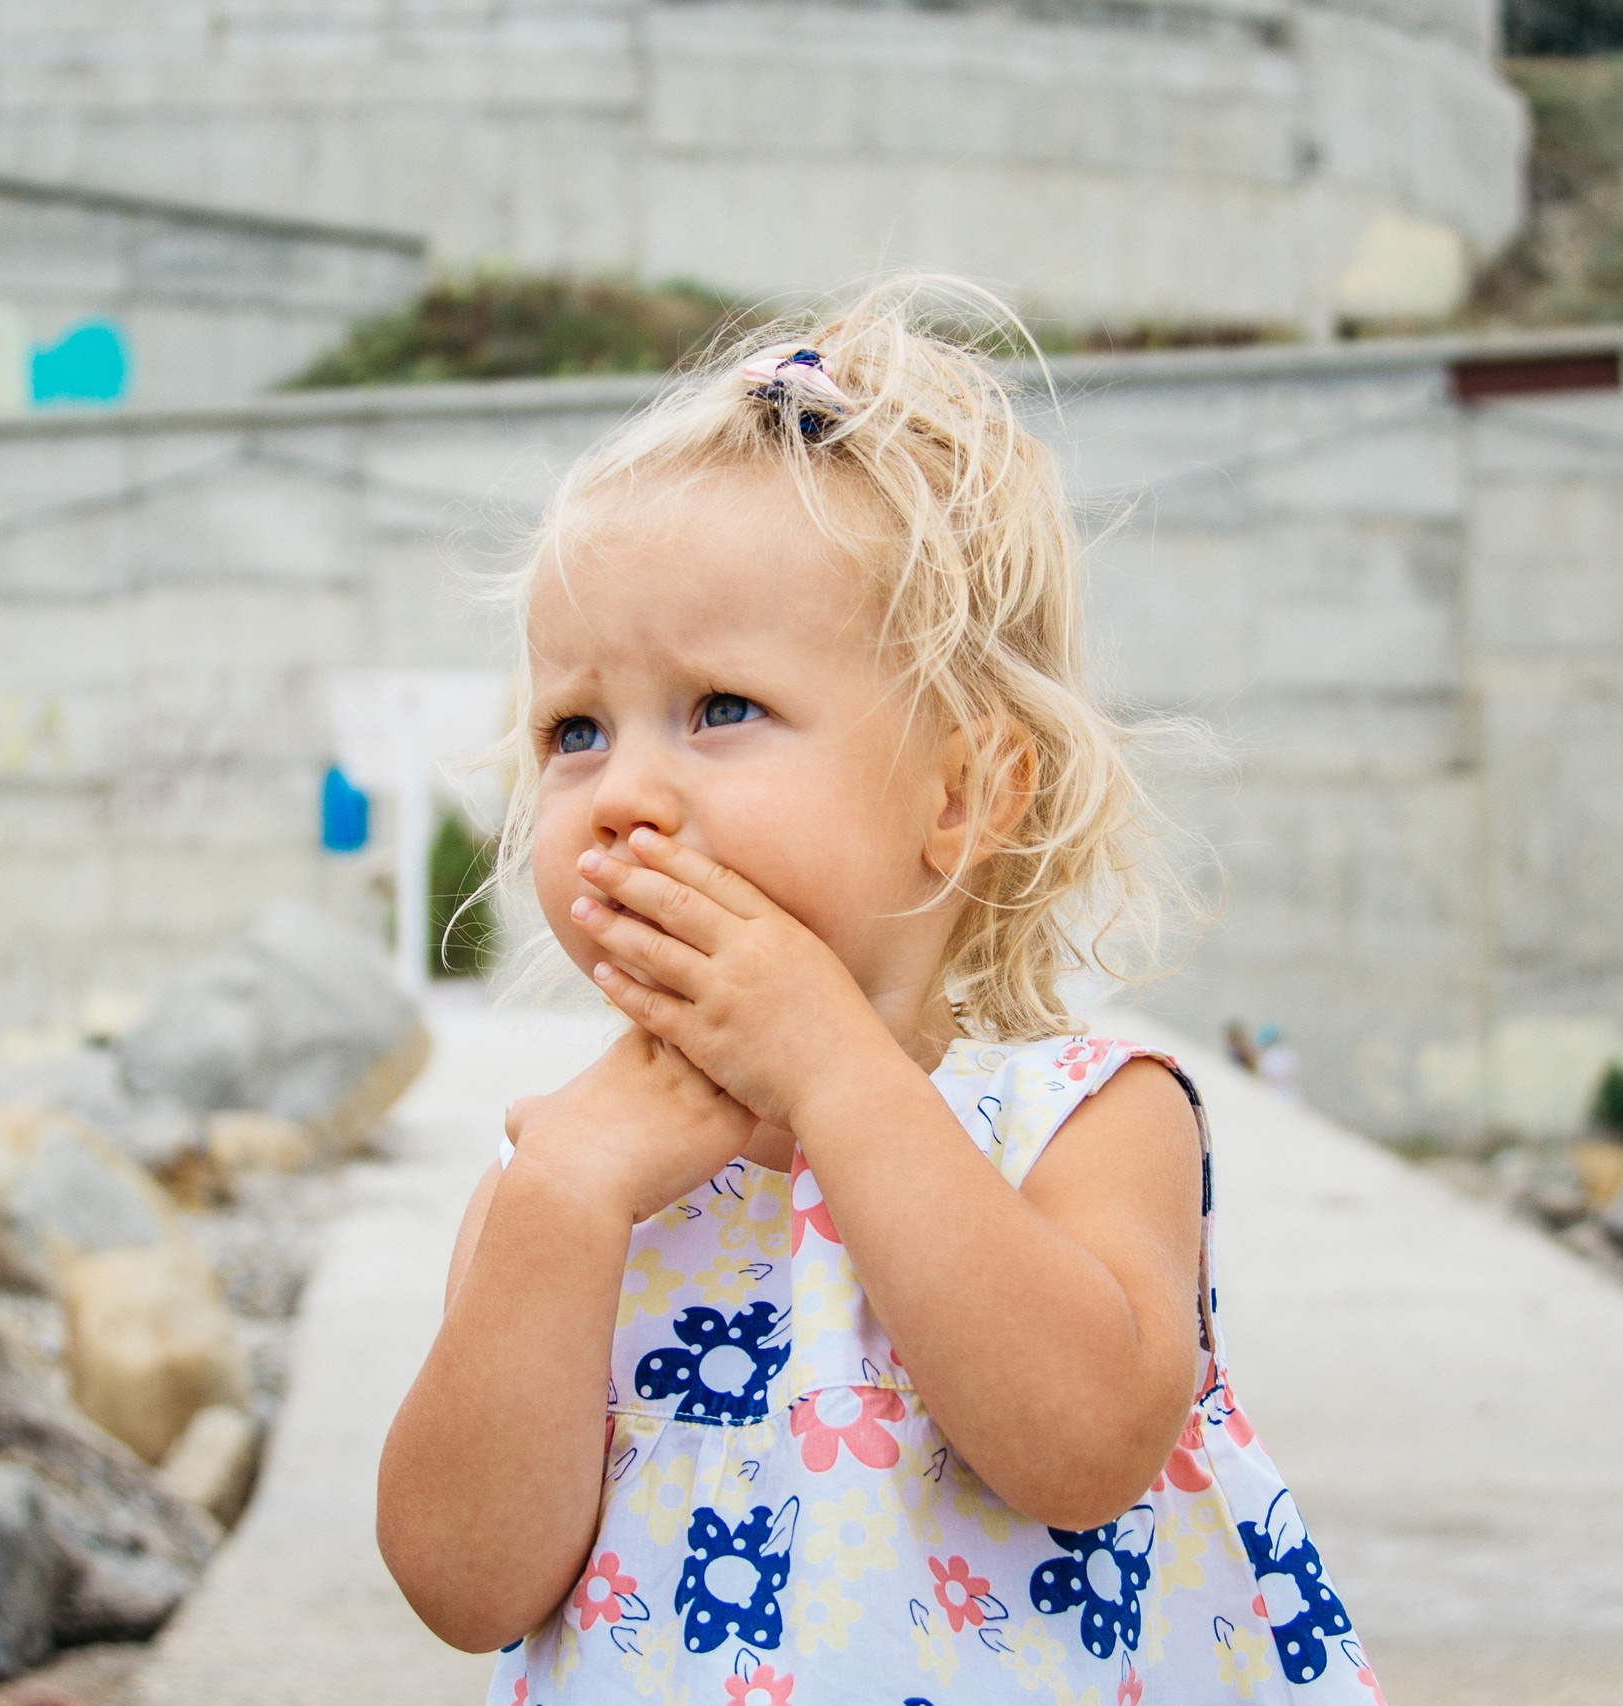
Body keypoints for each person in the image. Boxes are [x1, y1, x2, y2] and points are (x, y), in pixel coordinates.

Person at [376, 281, 1377, 1703]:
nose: (624, 795)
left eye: (720, 709)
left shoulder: (1083, 1118)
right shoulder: (571, 1175)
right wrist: (562, 1203)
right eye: (575, 730)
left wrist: (837, 1074)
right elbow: (464, 1584)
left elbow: (1084, 1447)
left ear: (963, 793)